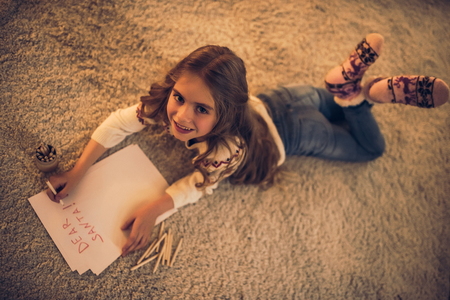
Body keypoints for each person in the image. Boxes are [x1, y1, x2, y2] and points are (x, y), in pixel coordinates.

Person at [46, 34, 449, 257]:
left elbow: (199, 186)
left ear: (225, 112)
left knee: (369, 148)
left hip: (295, 133)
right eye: (180, 98)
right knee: (330, 101)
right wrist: (78, 171)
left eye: (201, 110)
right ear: (175, 84)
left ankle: (357, 98)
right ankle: (342, 88)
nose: (181, 116)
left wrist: (154, 208)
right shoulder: (175, 101)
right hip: (289, 98)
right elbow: (120, 122)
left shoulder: (227, 150)